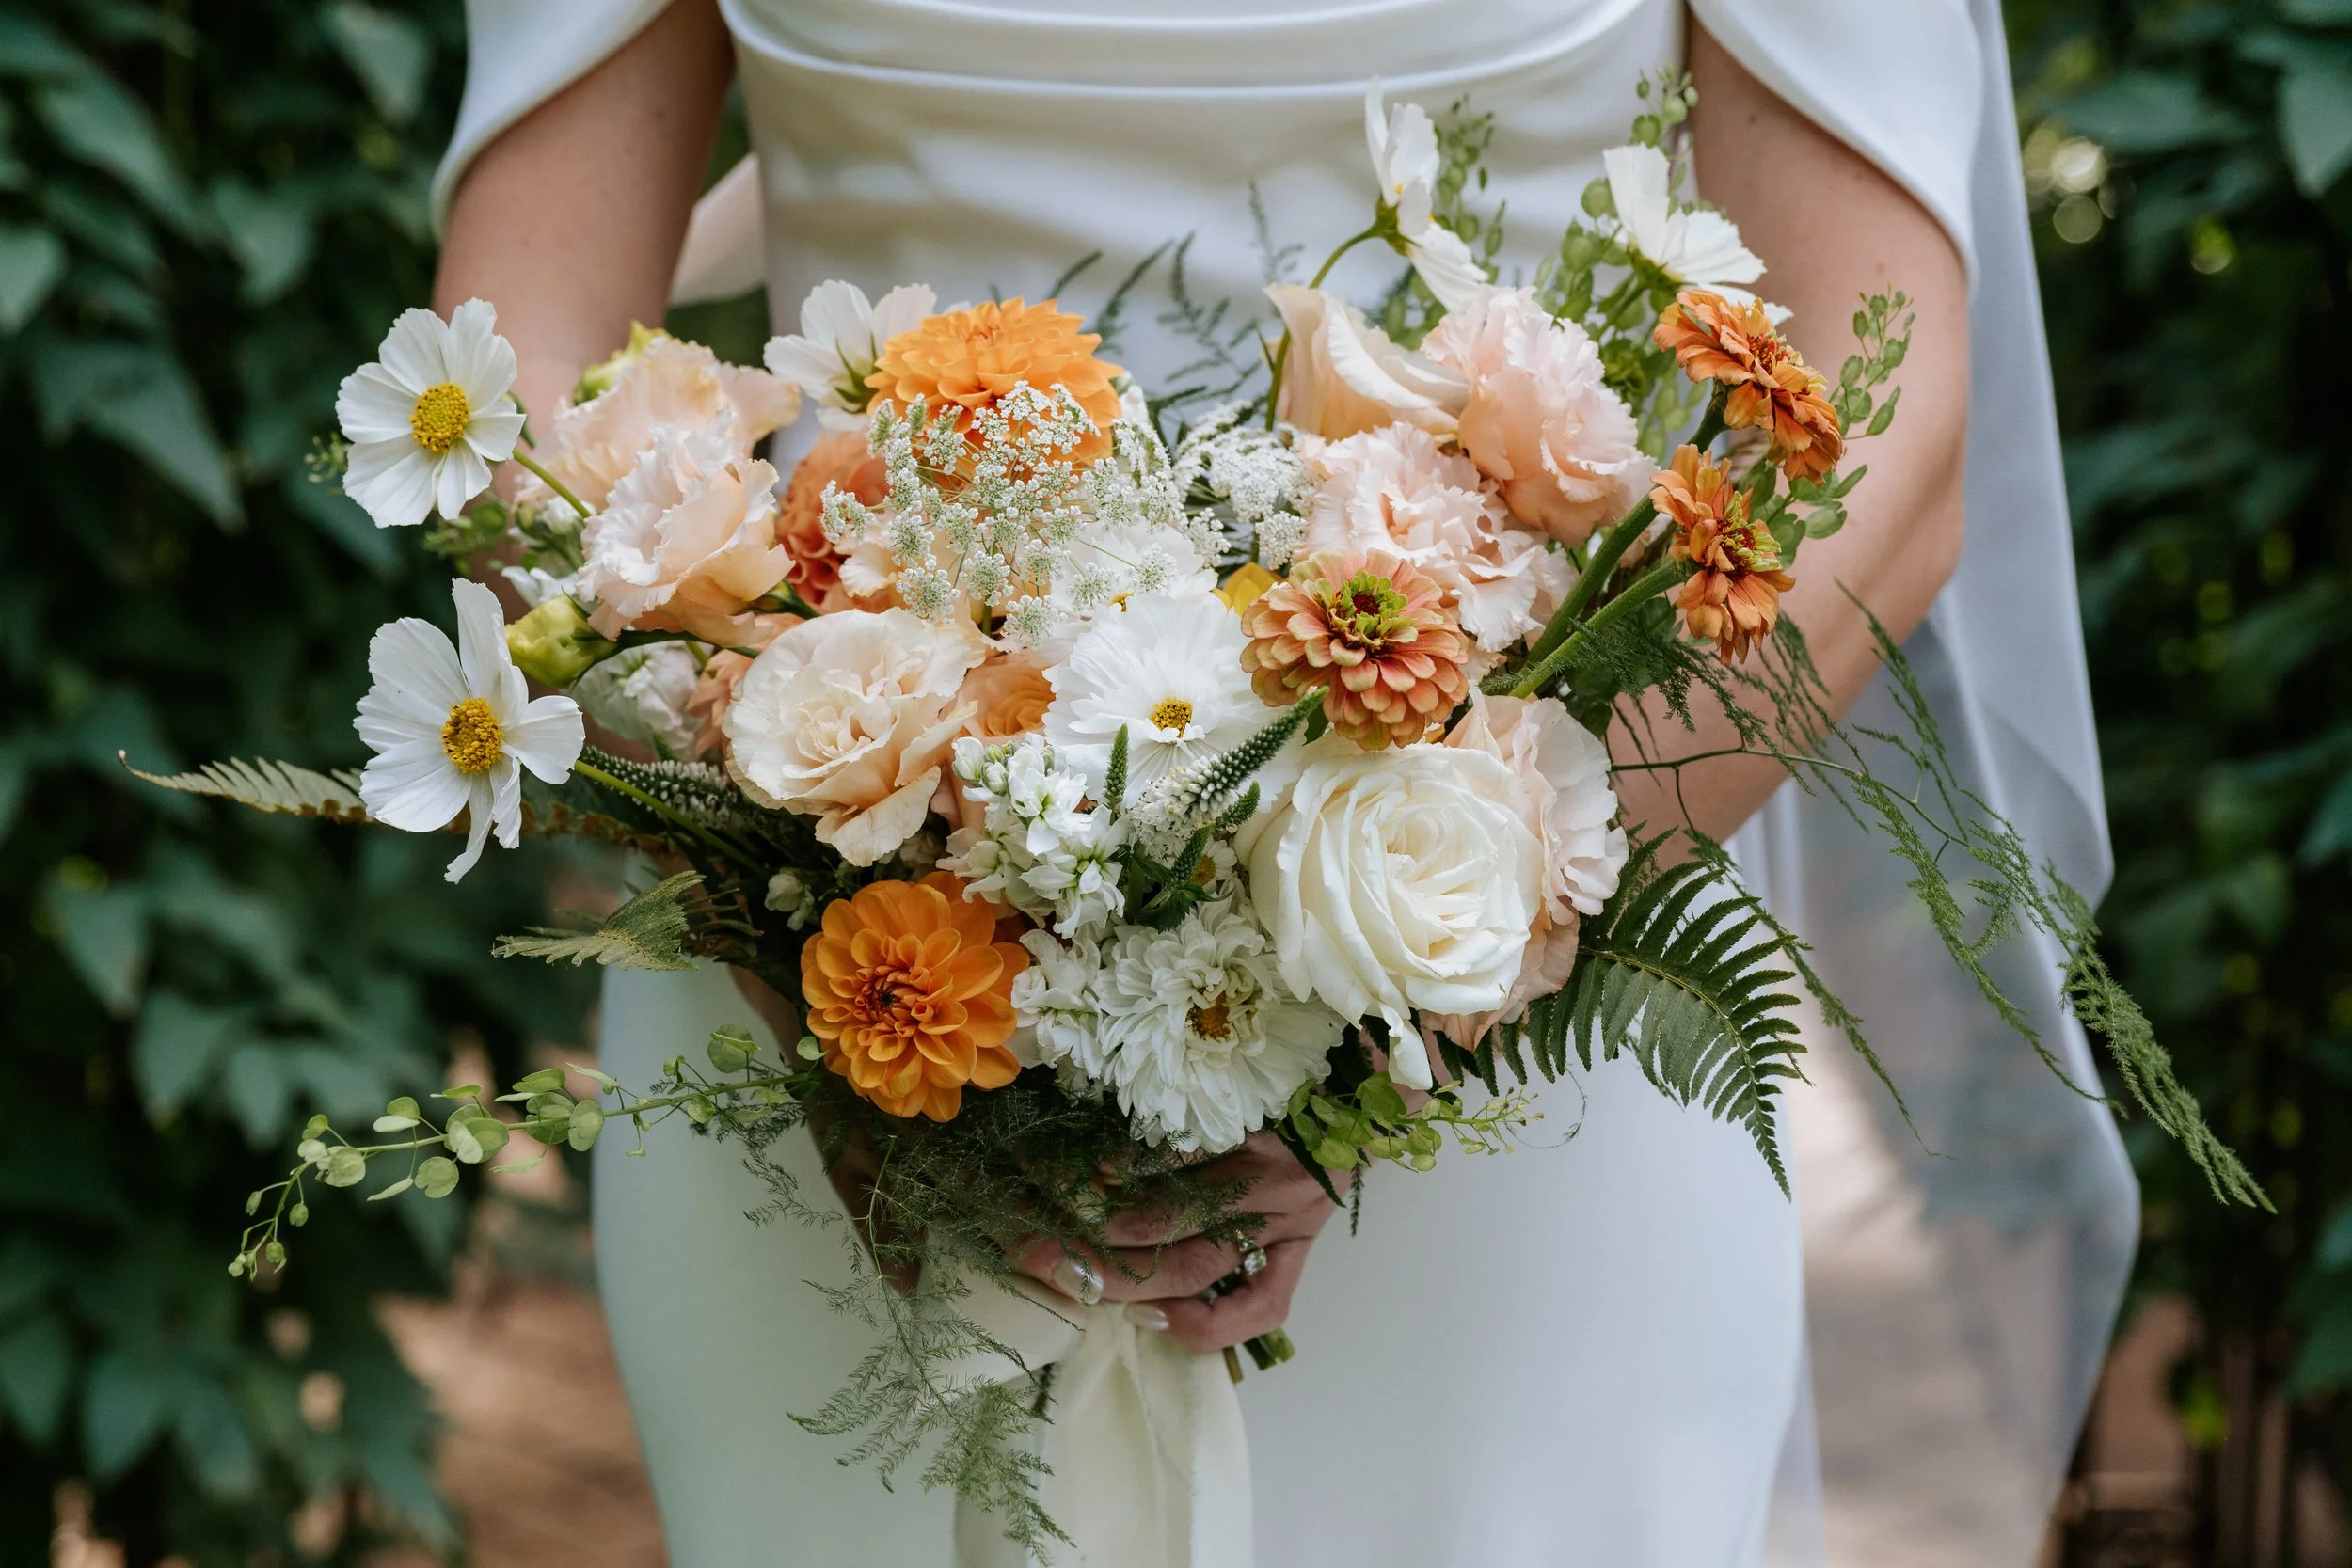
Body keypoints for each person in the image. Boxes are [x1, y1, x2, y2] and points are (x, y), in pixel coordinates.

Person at [427, 1, 2137, 1562]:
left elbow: (1878, 438)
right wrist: (793, 931)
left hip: (1514, 989)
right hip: (847, 966)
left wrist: (1419, 983)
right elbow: (499, 374)